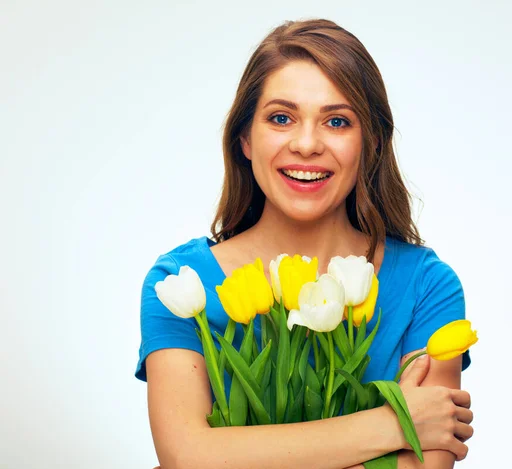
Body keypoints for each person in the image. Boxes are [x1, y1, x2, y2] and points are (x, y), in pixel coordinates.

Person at [135, 18, 474, 469]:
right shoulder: (181, 283)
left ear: (369, 142)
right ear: (245, 138)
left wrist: (226, 454)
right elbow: (185, 454)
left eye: (337, 121)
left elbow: (424, 465)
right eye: (281, 118)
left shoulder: (426, 287)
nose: (307, 143)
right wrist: (394, 424)